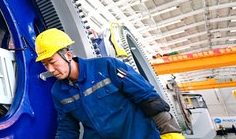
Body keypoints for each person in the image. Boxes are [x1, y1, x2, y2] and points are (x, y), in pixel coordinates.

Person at [35, 28, 185, 139]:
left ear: (68, 55)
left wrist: (170, 131)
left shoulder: (106, 66)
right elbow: (67, 128)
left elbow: (147, 98)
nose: (50, 69)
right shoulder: (58, 91)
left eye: (52, 62)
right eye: (45, 64)